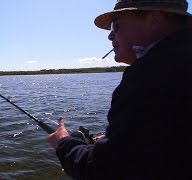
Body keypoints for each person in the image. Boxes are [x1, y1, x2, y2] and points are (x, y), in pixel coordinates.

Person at [48, 0, 192, 179]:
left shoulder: (150, 74)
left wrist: (63, 142)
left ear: (154, 20)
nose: (110, 36)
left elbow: (105, 171)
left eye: (116, 27)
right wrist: (117, 141)